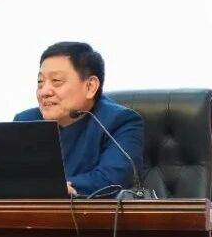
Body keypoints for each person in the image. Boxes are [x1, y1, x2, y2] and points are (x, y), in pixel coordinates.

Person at [14, 41, 143, 197]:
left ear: (90, 87)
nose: (44, 92)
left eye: (56, 81)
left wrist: (56, 188)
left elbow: (111, 180)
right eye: (40, 82)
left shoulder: (120, 121)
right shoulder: (26, 122)